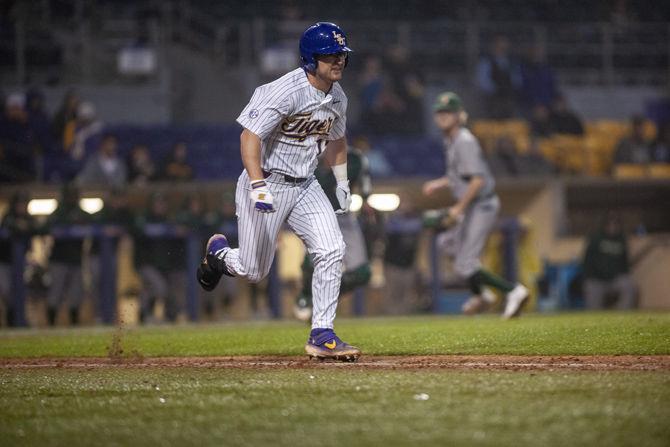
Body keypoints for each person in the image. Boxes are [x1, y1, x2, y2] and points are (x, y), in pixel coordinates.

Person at [196, 22, 359, 361]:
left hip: (306, 185)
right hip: (267, 180)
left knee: (332, 250)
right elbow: (249, 137)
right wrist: (256, 184)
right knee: (255, 271)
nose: (338, 61)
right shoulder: (284, 90)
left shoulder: (338, 96)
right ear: (311, 59)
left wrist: (342, 181)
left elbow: (337, 139)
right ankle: (220, 256)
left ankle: (322, 334)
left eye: (341, 54)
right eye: (330, 55)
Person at [422, 92, 529, 319]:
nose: (443, 116)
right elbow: (459, 176)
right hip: (473, 206)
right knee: (446, 243)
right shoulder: (451, 140)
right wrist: (438, 184)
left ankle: (513, 291)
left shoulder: (464, 140)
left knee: (465, 263)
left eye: (448, 112)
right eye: (440, 112)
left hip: (481, 205)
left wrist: (459, 208)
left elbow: (478, 180)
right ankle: (482, 294)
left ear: (459, 115)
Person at [293, 144, 372, 322]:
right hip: (318, 217)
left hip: (345, 217)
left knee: (362, 273)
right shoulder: (307, 157)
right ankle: (306, 295)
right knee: (311, 263)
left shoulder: (355, 158)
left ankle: (324, 299)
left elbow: (364, 177)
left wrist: (367, 199)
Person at [46, 185, 90, 326]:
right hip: (59, 259)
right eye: (70, 195)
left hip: (76, 259)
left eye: (74, 195)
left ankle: (74, 324)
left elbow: (95, 222)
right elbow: (46, 227)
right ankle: (51, 324)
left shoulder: (81, 213)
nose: (72, 198)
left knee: (76, 293)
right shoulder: (58, 212)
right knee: (56, 292)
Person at [581, 212, 636, 310]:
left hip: (614, 279)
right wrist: (588, 276)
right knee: (591, 297)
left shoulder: (621, 239)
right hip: (596, 279)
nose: (612, 226)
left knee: (629, 286)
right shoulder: (596, 238)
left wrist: (624, 273)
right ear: (605, 225)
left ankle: (622, 315)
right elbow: (587, 260)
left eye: (615, 224)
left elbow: (625, 262)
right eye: (610, 224)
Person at [476, 35, 522, 119]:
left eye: (504, 44)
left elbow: (517, 80)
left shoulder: (512, 62)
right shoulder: (486, 61)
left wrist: (509, 89)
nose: (502, 47)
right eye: (499, 44)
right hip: (492, 97)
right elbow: (483, 82)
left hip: (508, 96)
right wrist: (497, 90)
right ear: (493, 46)